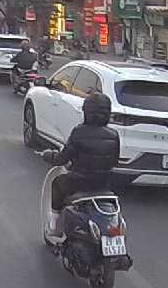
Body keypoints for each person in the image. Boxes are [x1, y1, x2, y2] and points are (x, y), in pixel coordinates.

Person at [42, 92, 120, 238]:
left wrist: (48, 155)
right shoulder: (114, 135)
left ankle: (54, 226)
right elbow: (114, 161)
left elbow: (61, 159)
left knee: (57, 183)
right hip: (104, 185)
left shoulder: (79, 132)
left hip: (79, 184)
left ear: (87, 112)